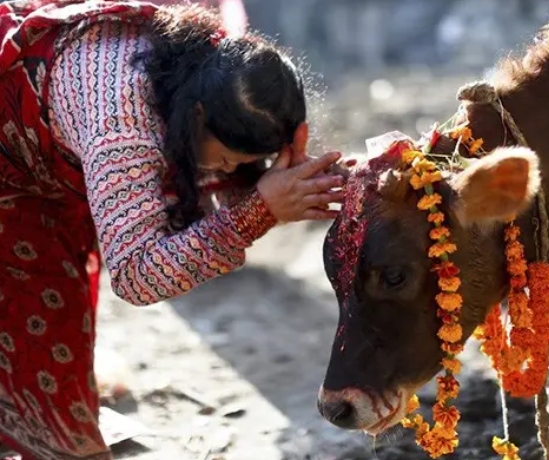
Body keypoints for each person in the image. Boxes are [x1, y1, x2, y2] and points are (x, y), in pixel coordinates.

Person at [0, 0, 349, 458]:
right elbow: (136, 275)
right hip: (16, 177)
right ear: (196, 115)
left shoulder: (209, 62)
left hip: (42, 168)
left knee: (53, 358)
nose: (227, 171)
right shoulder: (122, 127)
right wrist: (257, 212)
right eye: (226, 160)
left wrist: (297, 178)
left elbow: (215, 177)